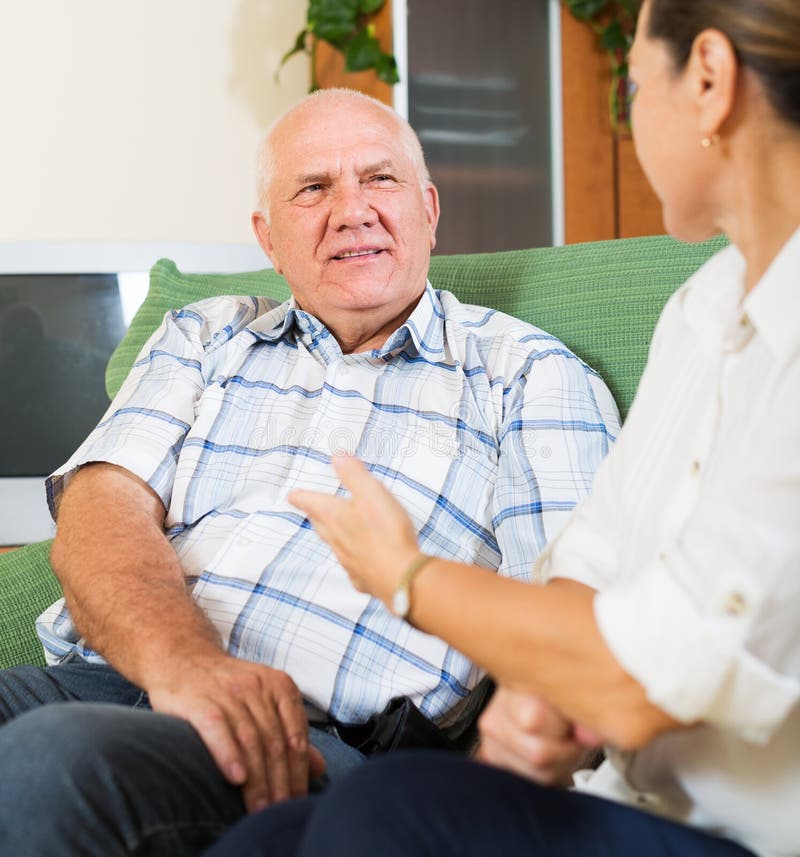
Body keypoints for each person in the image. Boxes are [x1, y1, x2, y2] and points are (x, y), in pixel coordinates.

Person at [204, 2, 800, 856]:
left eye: (632, 85)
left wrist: (407, 575)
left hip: (747, 831)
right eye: (315, 189)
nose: (629, 120)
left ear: (708, 80)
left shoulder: (528, 369)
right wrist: (538, 700)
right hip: (622, 796)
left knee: (387, 806)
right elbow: (590, 563)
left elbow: (643, 676)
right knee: (271, 841)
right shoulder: (699, 311)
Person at [0, 88, 619, 857]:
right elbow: (100, 511)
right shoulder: (205, 334)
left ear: (429, 209)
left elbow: (566, 615)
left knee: (48, 765)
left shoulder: (528, 375)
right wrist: (186, 666)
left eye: (379, 180)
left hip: (313, 742)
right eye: (313, 188)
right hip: (113, 675)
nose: (353, 209)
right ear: (267, 234)